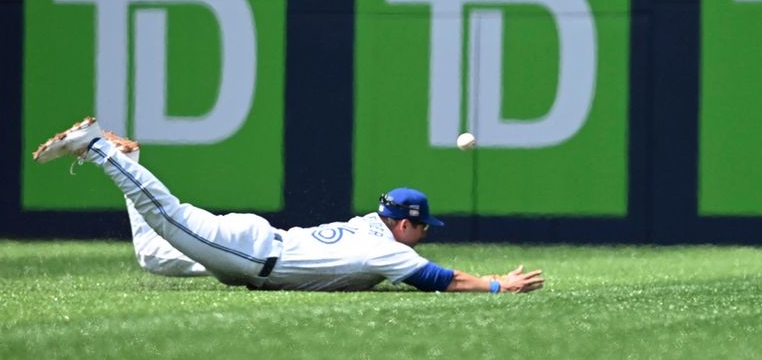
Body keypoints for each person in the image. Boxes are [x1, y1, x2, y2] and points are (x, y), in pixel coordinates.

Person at [33, 117, 544, 293]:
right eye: (422, 227)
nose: (426, 235)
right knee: (169, 215)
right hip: (251, 254)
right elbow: (442, 279)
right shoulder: (386, 252)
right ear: (403, 225)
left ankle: (130, 157)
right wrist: (499, 284)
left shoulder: (371, 224)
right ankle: (97, 145)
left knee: (154, 254)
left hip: (257, 250)